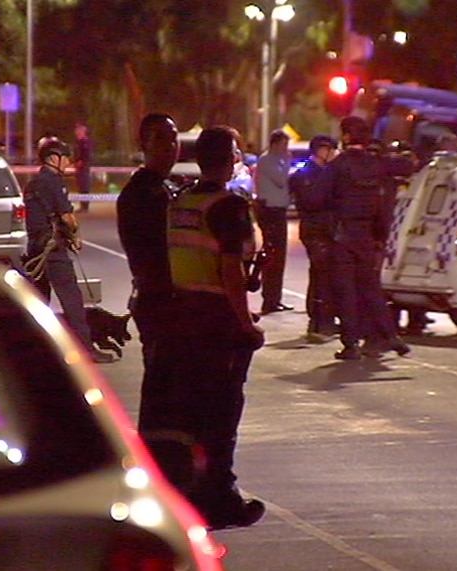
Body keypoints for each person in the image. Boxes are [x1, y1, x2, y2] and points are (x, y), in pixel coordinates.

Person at [166, 125, 266, 529]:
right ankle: (221, 499)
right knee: (222, 415)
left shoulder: (181, 201)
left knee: (191, 414)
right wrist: (246, 324)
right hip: (217, 320)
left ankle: (189, 494)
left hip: (183, 316)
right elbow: (228, 269)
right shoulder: (229, 206)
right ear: (229, 158)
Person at [116, 113, 188, 480]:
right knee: (162, 391)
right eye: (161, 140)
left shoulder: (167, 188)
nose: (170, 147)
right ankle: (158, 471)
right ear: (143, 145)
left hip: (172, 302)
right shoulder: (143, 194)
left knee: (175, 391)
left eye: (174, 139)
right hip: (160, 301)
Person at [310, 116, 410, 360]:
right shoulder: (377, 163)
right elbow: (405, 166)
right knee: (371, 287)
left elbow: (316, 198)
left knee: (346, 291)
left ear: (346, 137)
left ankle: (351, 344)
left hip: (343, 235)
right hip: (368, 234)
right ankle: (391, 335)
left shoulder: (337, 166)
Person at [23, 136, 113, 364]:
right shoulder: (53, 182)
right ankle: (85, 349)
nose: (68, 163)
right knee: (72, 300)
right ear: (53, 158)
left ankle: (34, 351)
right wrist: (75, 236)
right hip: (52, 250)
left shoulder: (33, 183)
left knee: (38, 302)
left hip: (36, 250)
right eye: (65, 158)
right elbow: (67, 218)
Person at [288, 135, 340, 343]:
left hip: (323, 229)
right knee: (321, 275)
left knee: (321, 274)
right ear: (321, 150)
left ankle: (321, 319)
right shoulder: (306, 175)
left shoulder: (324, 173)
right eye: (331, 150)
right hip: (315, 229)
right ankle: (319, 321)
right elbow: (311, 201)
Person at [253, 129, 293, 315]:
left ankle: (275, 298)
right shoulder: (267, 160)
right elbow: (281, 179)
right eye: (284, 144)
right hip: (270, 211)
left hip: (278, 210)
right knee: (274, 256)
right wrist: (288, 162)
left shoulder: (277, 160)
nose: (286, 149)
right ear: (275, 144)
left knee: (280, 256)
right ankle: (269, 299)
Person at [73, 122, 93, 212]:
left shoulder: (85, 142)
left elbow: (85, 154)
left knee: (84, 185)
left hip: (83, 167)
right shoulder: (79, 142)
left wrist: (81, 162)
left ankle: (85, 206)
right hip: (79, 166)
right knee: (80, 185)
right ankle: (83, 205)